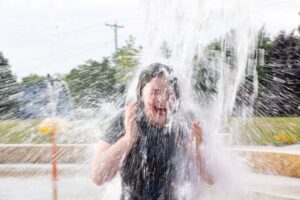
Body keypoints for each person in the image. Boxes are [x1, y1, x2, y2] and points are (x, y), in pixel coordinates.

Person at [91, 63, 214, 200]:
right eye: (155, 92)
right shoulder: (127, 119)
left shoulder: (185, 122)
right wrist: (127, 139)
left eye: (169, 93)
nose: (162, 99)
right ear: (141, 95)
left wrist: (197, 151)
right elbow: (98, 176)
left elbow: (211, 178)